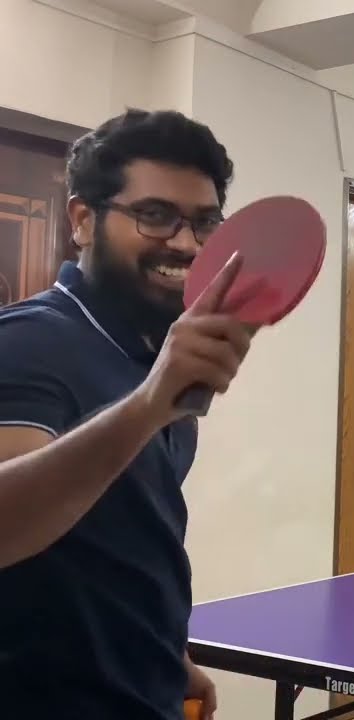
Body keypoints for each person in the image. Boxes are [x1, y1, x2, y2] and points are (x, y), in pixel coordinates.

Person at [0, 109, 254, 719]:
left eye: (204, 222)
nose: (187, 244)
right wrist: (148, 407)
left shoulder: (150, 360)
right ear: (83, 220)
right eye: (155, 215)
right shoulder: (27, 342)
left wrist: (166, 653)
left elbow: (115, 543)